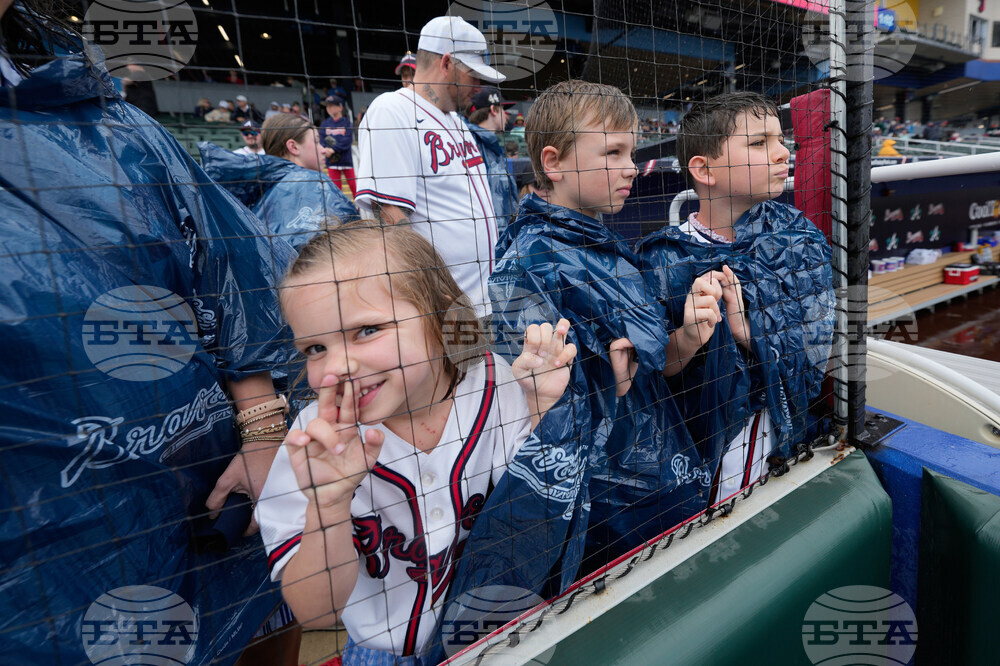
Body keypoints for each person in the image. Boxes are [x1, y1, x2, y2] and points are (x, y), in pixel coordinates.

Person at [0, 2, 299, 662]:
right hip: (44, 571)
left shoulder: (101, 114)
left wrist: (262, 427)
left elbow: (227, 266)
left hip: (209, 504)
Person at [255, 222, 576, 663]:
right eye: (314, 349)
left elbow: (535, 516)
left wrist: (538, 408)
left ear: (442, 316)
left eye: (366, 330)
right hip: (387, 655)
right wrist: (327, 506)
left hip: (506, 632)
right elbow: (316, 611)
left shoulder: (500, 383)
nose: (337, 367)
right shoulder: (314, 443)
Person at [446, 80, 707, 611]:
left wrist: (687, 336)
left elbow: (655, 369)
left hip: (661, 482)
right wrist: (611, 387)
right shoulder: (526, 266)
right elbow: (542, 420)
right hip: (607, 513)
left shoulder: (601, 243)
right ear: (554, 162)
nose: (631, 167)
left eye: (632, 152)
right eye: (612, 153)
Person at [636, 91, 834, 506]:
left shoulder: (798, 236)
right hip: (700, 458)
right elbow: (651, 375)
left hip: (785, 442)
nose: (783, 153)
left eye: (781, 139)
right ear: (704, 169)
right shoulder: (660, 258)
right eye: (759, 143)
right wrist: (689, 337)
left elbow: (816, 351)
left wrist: (749, 333)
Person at [355, 15, 506, 318]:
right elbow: (390, 218)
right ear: (446, 63)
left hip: (482, 301)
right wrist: (432, 297)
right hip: (442, 310)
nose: (478, 87)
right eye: (473, 75)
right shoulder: (392, 110)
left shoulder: (456, 121)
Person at [202, 113, 358, 250]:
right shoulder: (316, 183)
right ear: (293, 147)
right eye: (317, 141)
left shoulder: (255, 186)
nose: (323, 149)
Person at [465, 86, 517, 236]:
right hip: (489, 235)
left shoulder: (488, 142)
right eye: (503, 110)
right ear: (493, 110)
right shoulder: (473, 142)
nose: (506, 116)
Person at [320, 93, 356, 196]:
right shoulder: (325, 124)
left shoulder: (347, 123)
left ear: (340, 107)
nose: (328, 108)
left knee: (354, 187)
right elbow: (321, 139)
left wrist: (333, 149)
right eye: (327, 106)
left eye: (331, 105)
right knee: (336, 190)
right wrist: (325, 149)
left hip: (346, 160)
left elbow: (347, 140)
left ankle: (359, 206)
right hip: (332, 161)